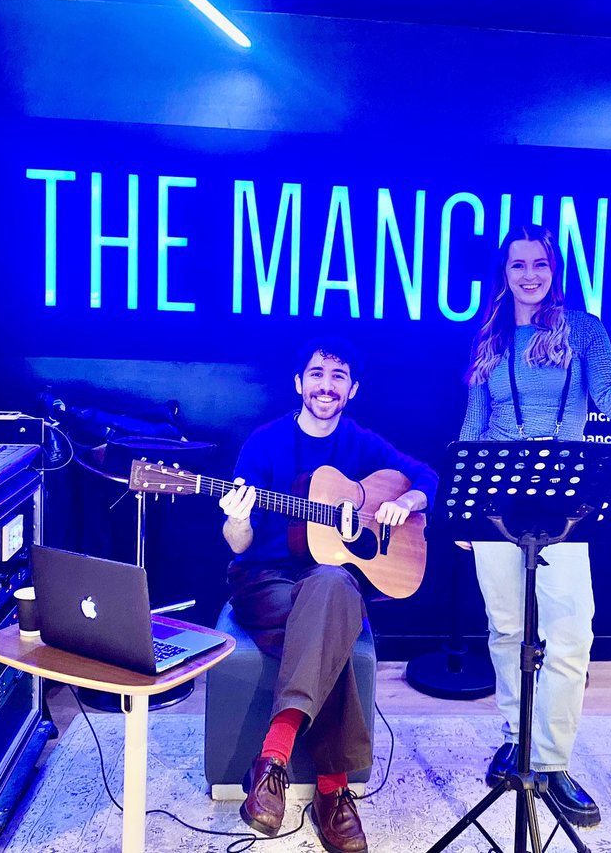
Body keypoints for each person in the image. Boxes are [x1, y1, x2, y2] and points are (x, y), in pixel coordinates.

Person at [457, 224, 611, 827]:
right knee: (506, 629)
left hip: (562, 500)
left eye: (539, 263)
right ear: (504, 273)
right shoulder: (490, 334)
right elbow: (475, 420)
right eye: (518, 264)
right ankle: (516, 737)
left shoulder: (584, 329)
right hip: (495, 497)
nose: (529, 275)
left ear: (554, 269)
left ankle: (551, 759)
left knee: (569, 634)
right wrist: (463, 509)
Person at [219, 337, 438, 853]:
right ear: (299, 383)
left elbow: (426, 476)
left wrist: (406, 502)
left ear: (352, 389)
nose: (326, 386)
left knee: (334, 583)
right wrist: (238, 518)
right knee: (331, 617)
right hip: (265, 581)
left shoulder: (361, 443)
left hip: (328, 586)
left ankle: (272, 759)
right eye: (317, 374)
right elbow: (237, 544)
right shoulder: (265, 443)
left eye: (338, 377)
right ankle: (333, 790)